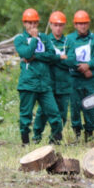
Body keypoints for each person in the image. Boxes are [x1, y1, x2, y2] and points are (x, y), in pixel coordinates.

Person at [14, 8, 63, 146]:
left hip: (44, 84)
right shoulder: (20, 39)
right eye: (29, 23)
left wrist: (36, 56)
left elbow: (52, 55)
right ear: (24, 23)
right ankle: (25, 142)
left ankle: (55, 140)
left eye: (34, 22)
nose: (32, 26)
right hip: (28, 83)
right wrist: (34, 40)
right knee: (26, 115)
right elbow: (27, 53)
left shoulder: (45, 37)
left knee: (54, 113)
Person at [32, 11, 75, 143]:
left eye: (60, 25)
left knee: (61, 113)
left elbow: (72, 61)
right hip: (47, 84)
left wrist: (54, 59)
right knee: (43, 112)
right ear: (50, 25)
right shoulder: (45, 40)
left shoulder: (69, 42)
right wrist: (60, 58)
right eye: (55, 25)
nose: (58, 28)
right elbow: (42, 57)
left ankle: (55, 138)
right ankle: (36, 136)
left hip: (64, 84)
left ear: (64, 26)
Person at [67, 10, 94, 142]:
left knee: (91, 105)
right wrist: (81, 68)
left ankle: (90, 133)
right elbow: (68, 57)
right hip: (75, 79)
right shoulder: (69, 39)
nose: (82, 26)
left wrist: (89, 65)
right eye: (79, 23)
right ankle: (76, 134)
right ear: (75, 25)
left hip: (90, 79)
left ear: (88, 24)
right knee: (75, 106)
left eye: (85, 23)